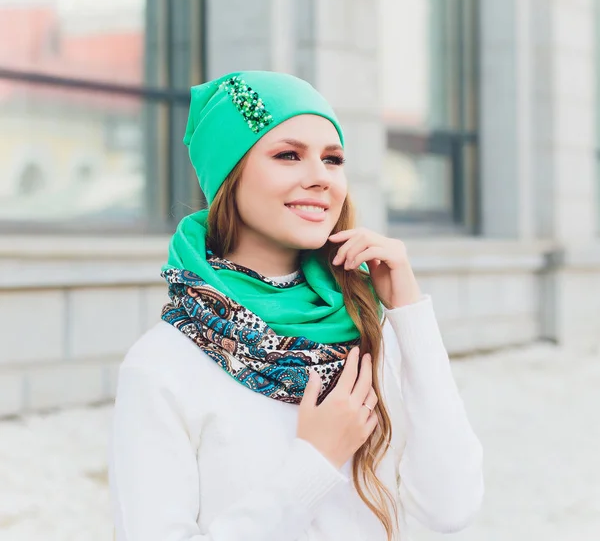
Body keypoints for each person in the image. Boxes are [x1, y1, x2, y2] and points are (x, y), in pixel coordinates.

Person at [108, 71, 484, 541]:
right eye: (288, 155)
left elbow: (451, 511)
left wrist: (410, 314)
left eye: (333, 159)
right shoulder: (164, 364)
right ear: (229, 173)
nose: (320, 178)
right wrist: (314, 463)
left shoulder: (365, 327)